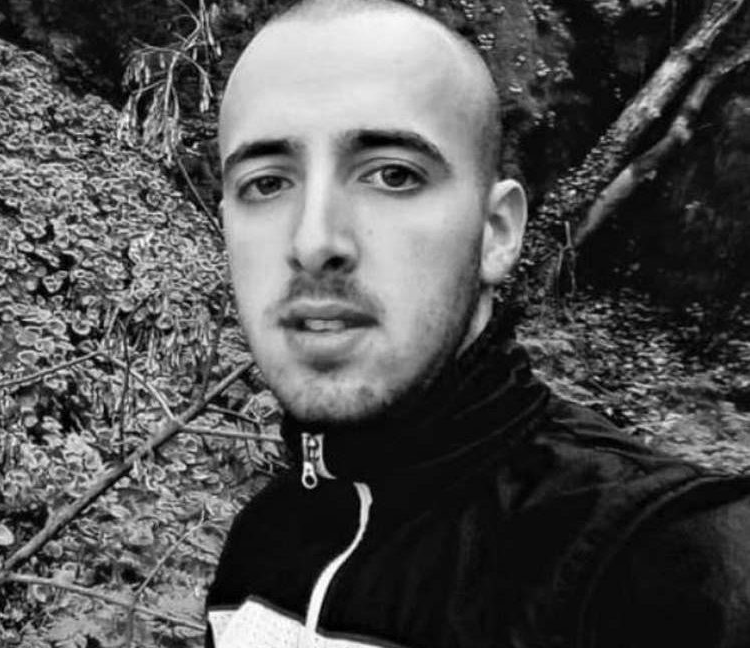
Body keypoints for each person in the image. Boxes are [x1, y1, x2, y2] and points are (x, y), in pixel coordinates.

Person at [203, 0, 750, 646]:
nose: (314, 240)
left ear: (496, 233)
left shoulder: (662, 556)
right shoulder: (259, 545)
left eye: (392, 174)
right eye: (266, 183)